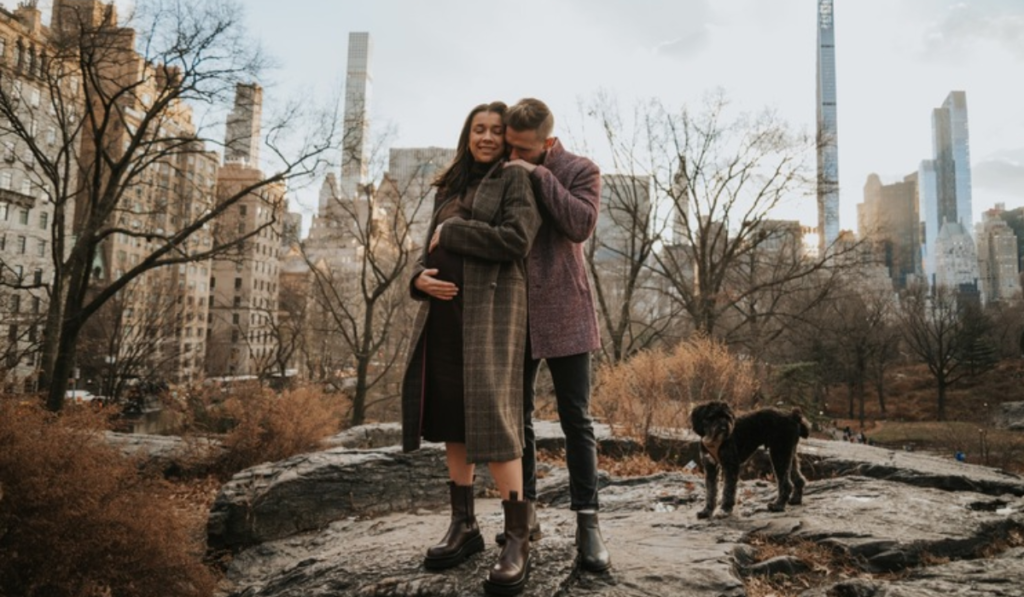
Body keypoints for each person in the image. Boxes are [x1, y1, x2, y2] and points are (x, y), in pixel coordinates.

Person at [401, 101, 541, 596]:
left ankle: (518, 537)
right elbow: (423, 255)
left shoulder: (515, 181)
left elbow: (517, 240)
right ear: (467, 134)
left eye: (495, 131)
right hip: (442, 320)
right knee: (451, 422)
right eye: (478, 129)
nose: (486, 137)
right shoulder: (448, 187)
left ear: (507, 138)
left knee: (496, 422)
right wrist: (418, 280)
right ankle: (464, 526)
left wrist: (456, 232)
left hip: (493, 318)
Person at [498, 98, 611, 572]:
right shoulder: (503, 166)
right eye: (510, 148)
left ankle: (589, 526)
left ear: (547, 142)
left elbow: (579, 225)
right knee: (516, 420)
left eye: (524, 150)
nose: (514, 156)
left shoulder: (580, 169)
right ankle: (524, 519)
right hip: (515, 313)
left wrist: (538, 176)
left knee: (576, 422)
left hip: (567, 311)